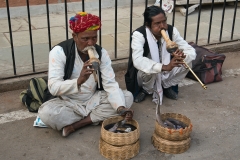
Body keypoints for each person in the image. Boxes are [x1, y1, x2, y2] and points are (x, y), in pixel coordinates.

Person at [38, 12, 134, 137]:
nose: (91, 43)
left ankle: (76, 125)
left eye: (94, 38)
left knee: (127, 98)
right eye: (85, 39)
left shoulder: (101, 53)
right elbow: (54, 88)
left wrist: (121, 108)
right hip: (68, 101)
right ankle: (96, 118)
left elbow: (110, 84)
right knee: (46, 113)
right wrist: (79, 81)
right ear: (74, 36)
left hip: (93, 99)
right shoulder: (59, 52)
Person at [125, 6, 196, 105]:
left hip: (166, 69)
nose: (162, 26)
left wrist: (183, 56)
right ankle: (146, 89)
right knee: (150, 70)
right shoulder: (139, 35)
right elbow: (138, 60)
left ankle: (166, 85)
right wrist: (165, 67)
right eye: (157, 23)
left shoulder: (171, 30)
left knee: (187, 63)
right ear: (148, 25)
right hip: (145, 75)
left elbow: (190, 50)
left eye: (164, 21)